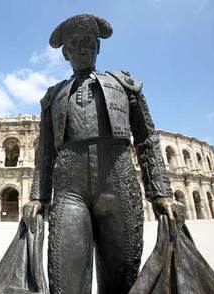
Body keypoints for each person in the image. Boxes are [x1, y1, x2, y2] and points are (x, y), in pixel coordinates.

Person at [24, 14, 182, 294]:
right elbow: (45, 152)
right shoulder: (53, 97)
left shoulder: (124, 84)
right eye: (75, 44)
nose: (83, 48)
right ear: (65, 53)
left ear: (98, 47)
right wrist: (38, 195)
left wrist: (161, 192)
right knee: (66, 283)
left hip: (119, 186)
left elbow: (147, 139)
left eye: (88, 42)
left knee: (120, 283)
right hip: (69, 192)